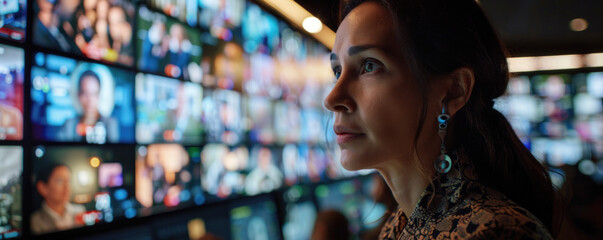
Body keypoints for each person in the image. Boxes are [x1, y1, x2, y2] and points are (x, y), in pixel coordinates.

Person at [324, 0, 559, 239]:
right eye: (338, 71)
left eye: (369, 65)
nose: (332, 98)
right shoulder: (399, 224)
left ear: (453, 92)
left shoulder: (498, 232)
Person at [58, 69, 118, 143]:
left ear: (99, 95)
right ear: (79, 95)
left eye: (94, 94)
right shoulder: (69, 124)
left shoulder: (110, 123)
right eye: (85, 94)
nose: (90, 100)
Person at [31, 163, 85, 234]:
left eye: (69, 181)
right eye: (60, 181)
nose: (67, 187)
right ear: (42, 188)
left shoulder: (80, 211)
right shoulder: (35, 221)